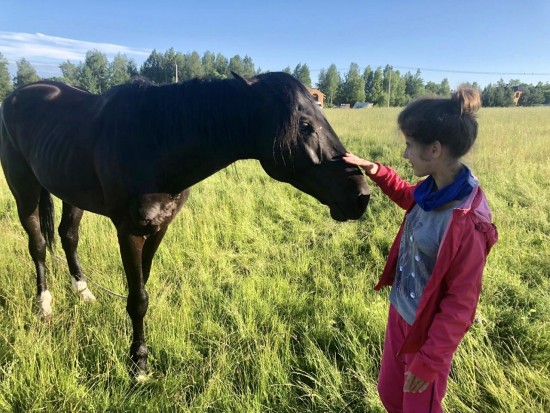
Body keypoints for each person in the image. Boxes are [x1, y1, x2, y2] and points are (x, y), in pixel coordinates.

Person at [343, 86, 498, 413]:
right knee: (390, 396)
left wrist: (429, 361)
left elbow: (461, 304)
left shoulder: (466, 224)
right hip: (400, 312)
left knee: (418, 409)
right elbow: (407, 196)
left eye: (409, 146)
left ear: (435, 150)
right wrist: (375, 170)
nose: (404, 154)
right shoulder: (432, 189)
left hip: (426, 335)